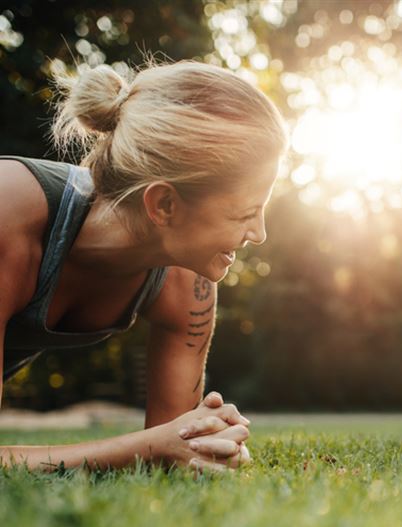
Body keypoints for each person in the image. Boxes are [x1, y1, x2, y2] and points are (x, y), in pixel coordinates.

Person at [0, 61, 288, 472]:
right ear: (164, 204)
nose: (259, 233)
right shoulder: (8, 215)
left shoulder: (189, 283)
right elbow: (160, 446)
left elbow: (177, 448)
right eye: (245, 212)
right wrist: (150, 446)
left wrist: (208, 442)